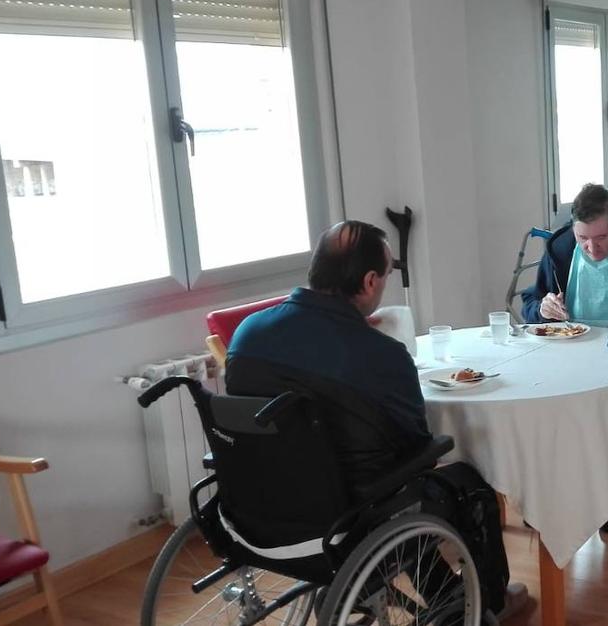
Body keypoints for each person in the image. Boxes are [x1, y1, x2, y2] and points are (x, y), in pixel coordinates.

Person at [226, 221, 528, 620]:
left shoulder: (247, 334)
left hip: (255, 510)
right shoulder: (380, 355)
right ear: (369, 281)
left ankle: (446, 596)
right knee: (466, 487)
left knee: (398, 498)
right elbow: (416, 444)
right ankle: (489, 603)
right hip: (342, 520)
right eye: (385, 276)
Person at [520, 183, 608, 533]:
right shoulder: (561, 247)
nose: (592, 248)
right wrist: (542, 307)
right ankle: (550, 497)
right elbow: (529, 304)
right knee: (550, 414)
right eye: (583, 239)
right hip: (570, 351)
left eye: (601, 237)